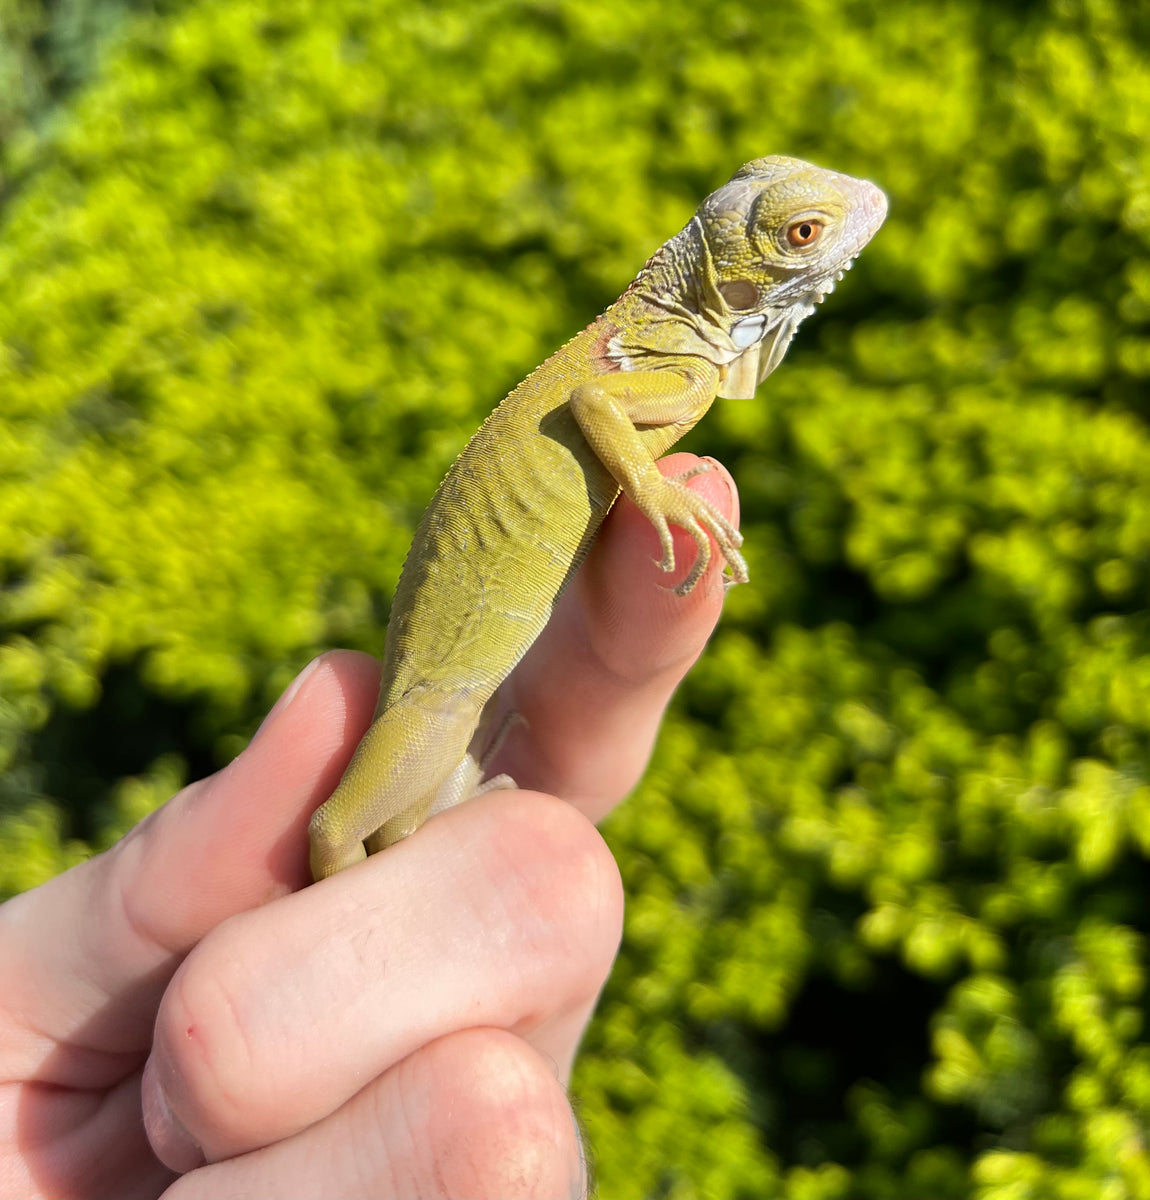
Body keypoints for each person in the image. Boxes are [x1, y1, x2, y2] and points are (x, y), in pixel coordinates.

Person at [0, 455, 738, 1198]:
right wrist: (356, 921)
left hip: (450, 756)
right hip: (427, 754)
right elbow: (329, 831)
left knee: (492, 1118)